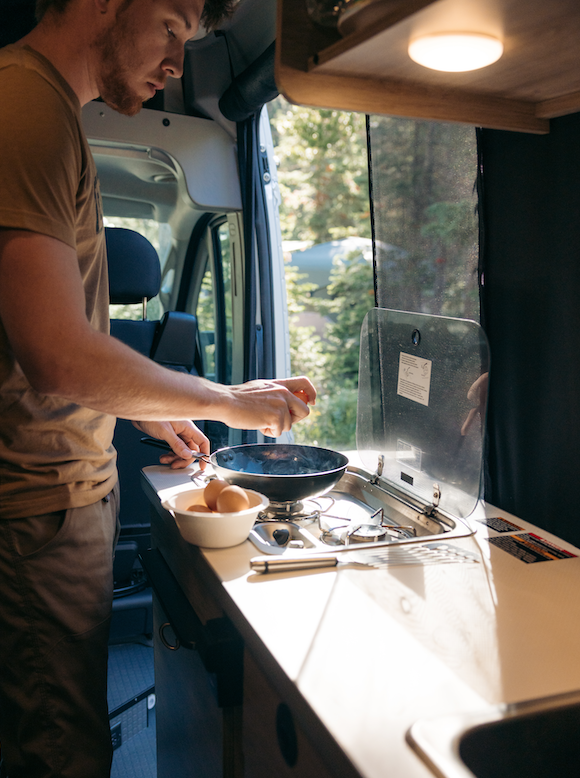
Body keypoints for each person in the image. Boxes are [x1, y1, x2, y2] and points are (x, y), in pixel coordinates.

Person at [0, 0, 316, 775]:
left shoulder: (45, 105)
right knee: (59, 754)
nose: (177, 62)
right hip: (34, 510)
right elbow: (57, 357)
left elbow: (57, 356)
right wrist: (226, 401)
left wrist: (150, 406)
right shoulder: (25, 102)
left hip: (57, 500)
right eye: (171, 25)